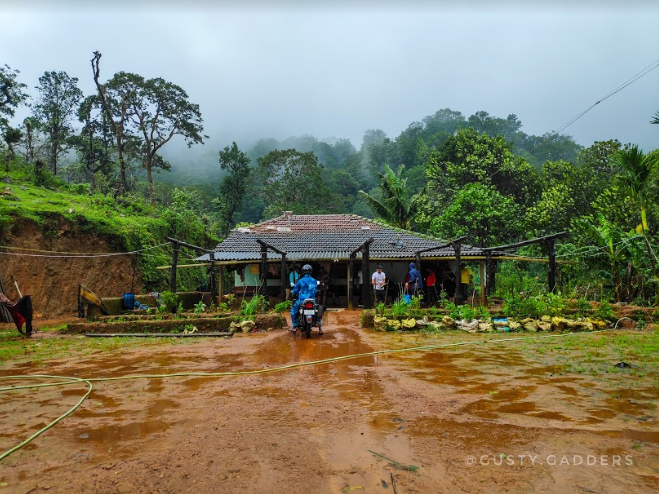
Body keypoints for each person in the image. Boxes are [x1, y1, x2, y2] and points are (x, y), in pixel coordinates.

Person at [290, 264, 320, 334]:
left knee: (293, 311)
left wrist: (294, 292)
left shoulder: (300, 281)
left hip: (301, 300)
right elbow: (316, 290)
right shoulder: (314, 281)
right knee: (316, 311)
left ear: (303, 271)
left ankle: (294, 326)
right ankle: (318, 323)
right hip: (312, 300)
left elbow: (295, 291)